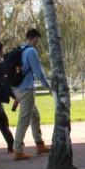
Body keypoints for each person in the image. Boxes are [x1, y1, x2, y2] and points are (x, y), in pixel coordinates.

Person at [12, 28, 51, 160]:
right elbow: (38, 72)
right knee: (24, 119)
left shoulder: (20, 49)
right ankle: (18, 150)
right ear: (34, 38)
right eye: (38, 40)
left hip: (17, 89)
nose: (37, 43)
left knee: (35, 115)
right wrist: (48, 87)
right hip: (26, 89)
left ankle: (39, 144)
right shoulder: (31, 51)